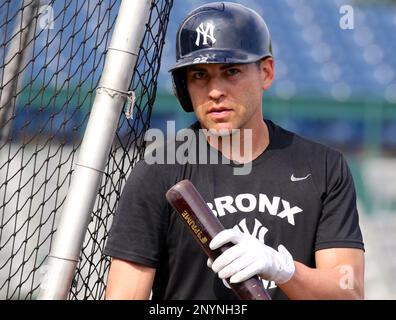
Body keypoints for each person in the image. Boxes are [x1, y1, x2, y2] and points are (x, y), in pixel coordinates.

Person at [104, 2, 365, 300]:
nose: (215, 91)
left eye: (231, 71)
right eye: (199, 75)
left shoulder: (323, 167)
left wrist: (282, 269)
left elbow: (350, 292)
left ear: (266, 72)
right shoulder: (159, 171)